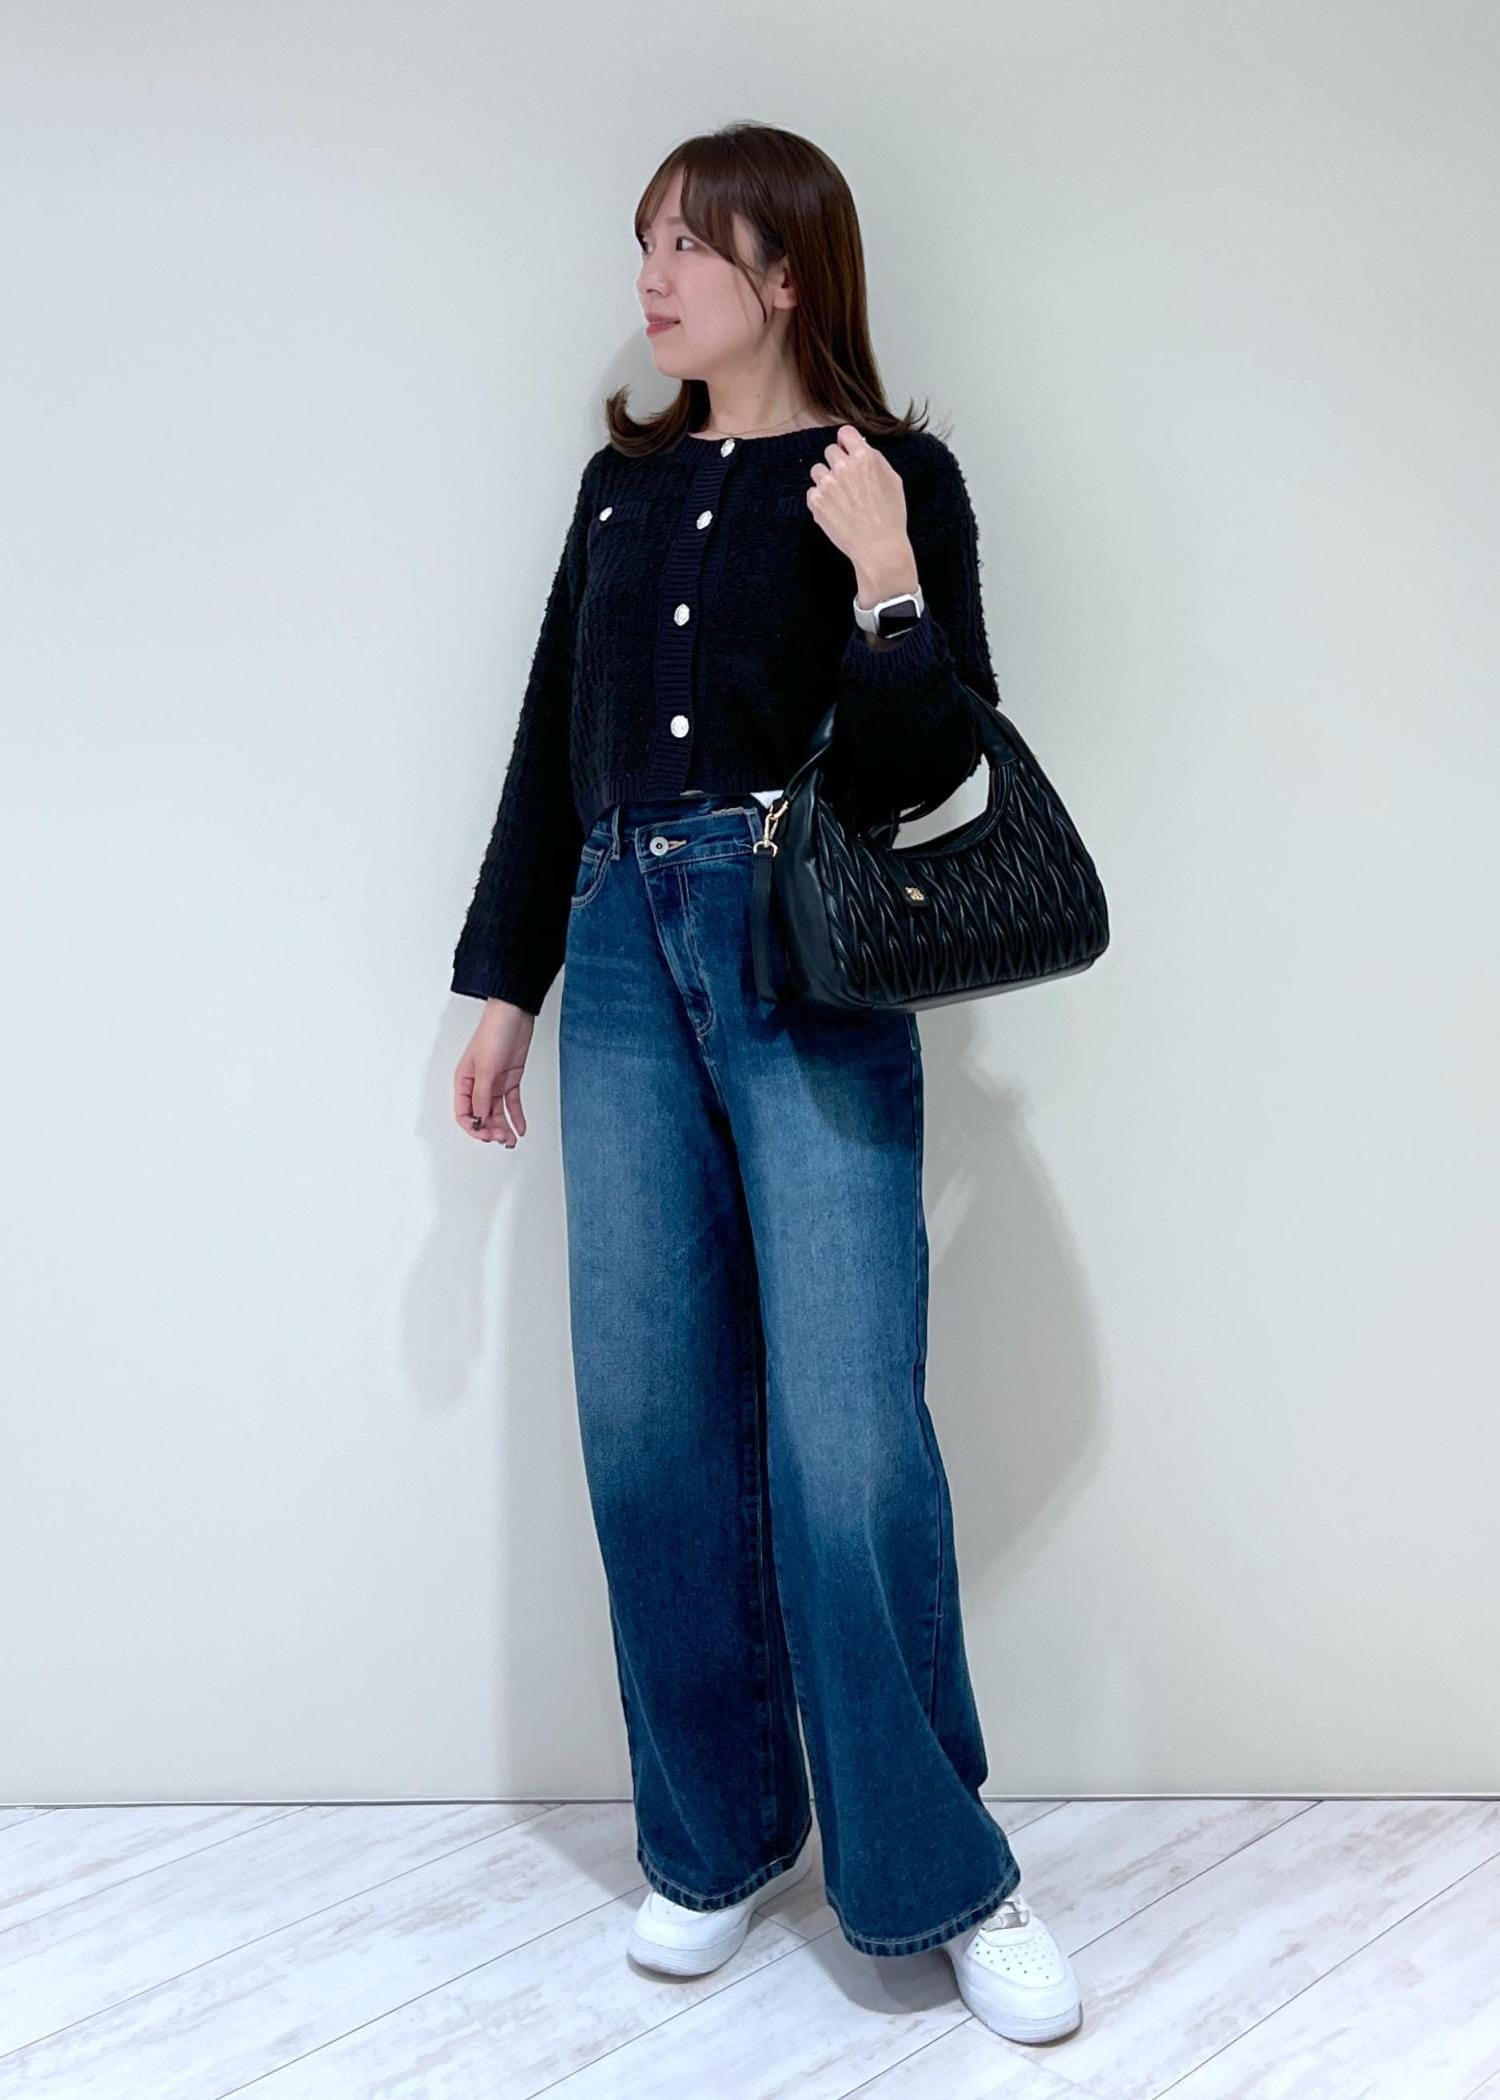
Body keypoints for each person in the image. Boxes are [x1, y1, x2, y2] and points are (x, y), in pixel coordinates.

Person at [448, 122, 1082, 2046]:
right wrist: (503, 985)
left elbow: (928, 774)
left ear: (785, 272)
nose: (649, 278)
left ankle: (940, 1876)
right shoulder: (621, 490)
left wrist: (886, 578)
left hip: (799, 953)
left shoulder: (897, 479)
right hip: (619, 949)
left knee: (849, 1434)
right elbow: (549, 746)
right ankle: (716, 1842)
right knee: (648, 1423)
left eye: (687, 245)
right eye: (642, 242)